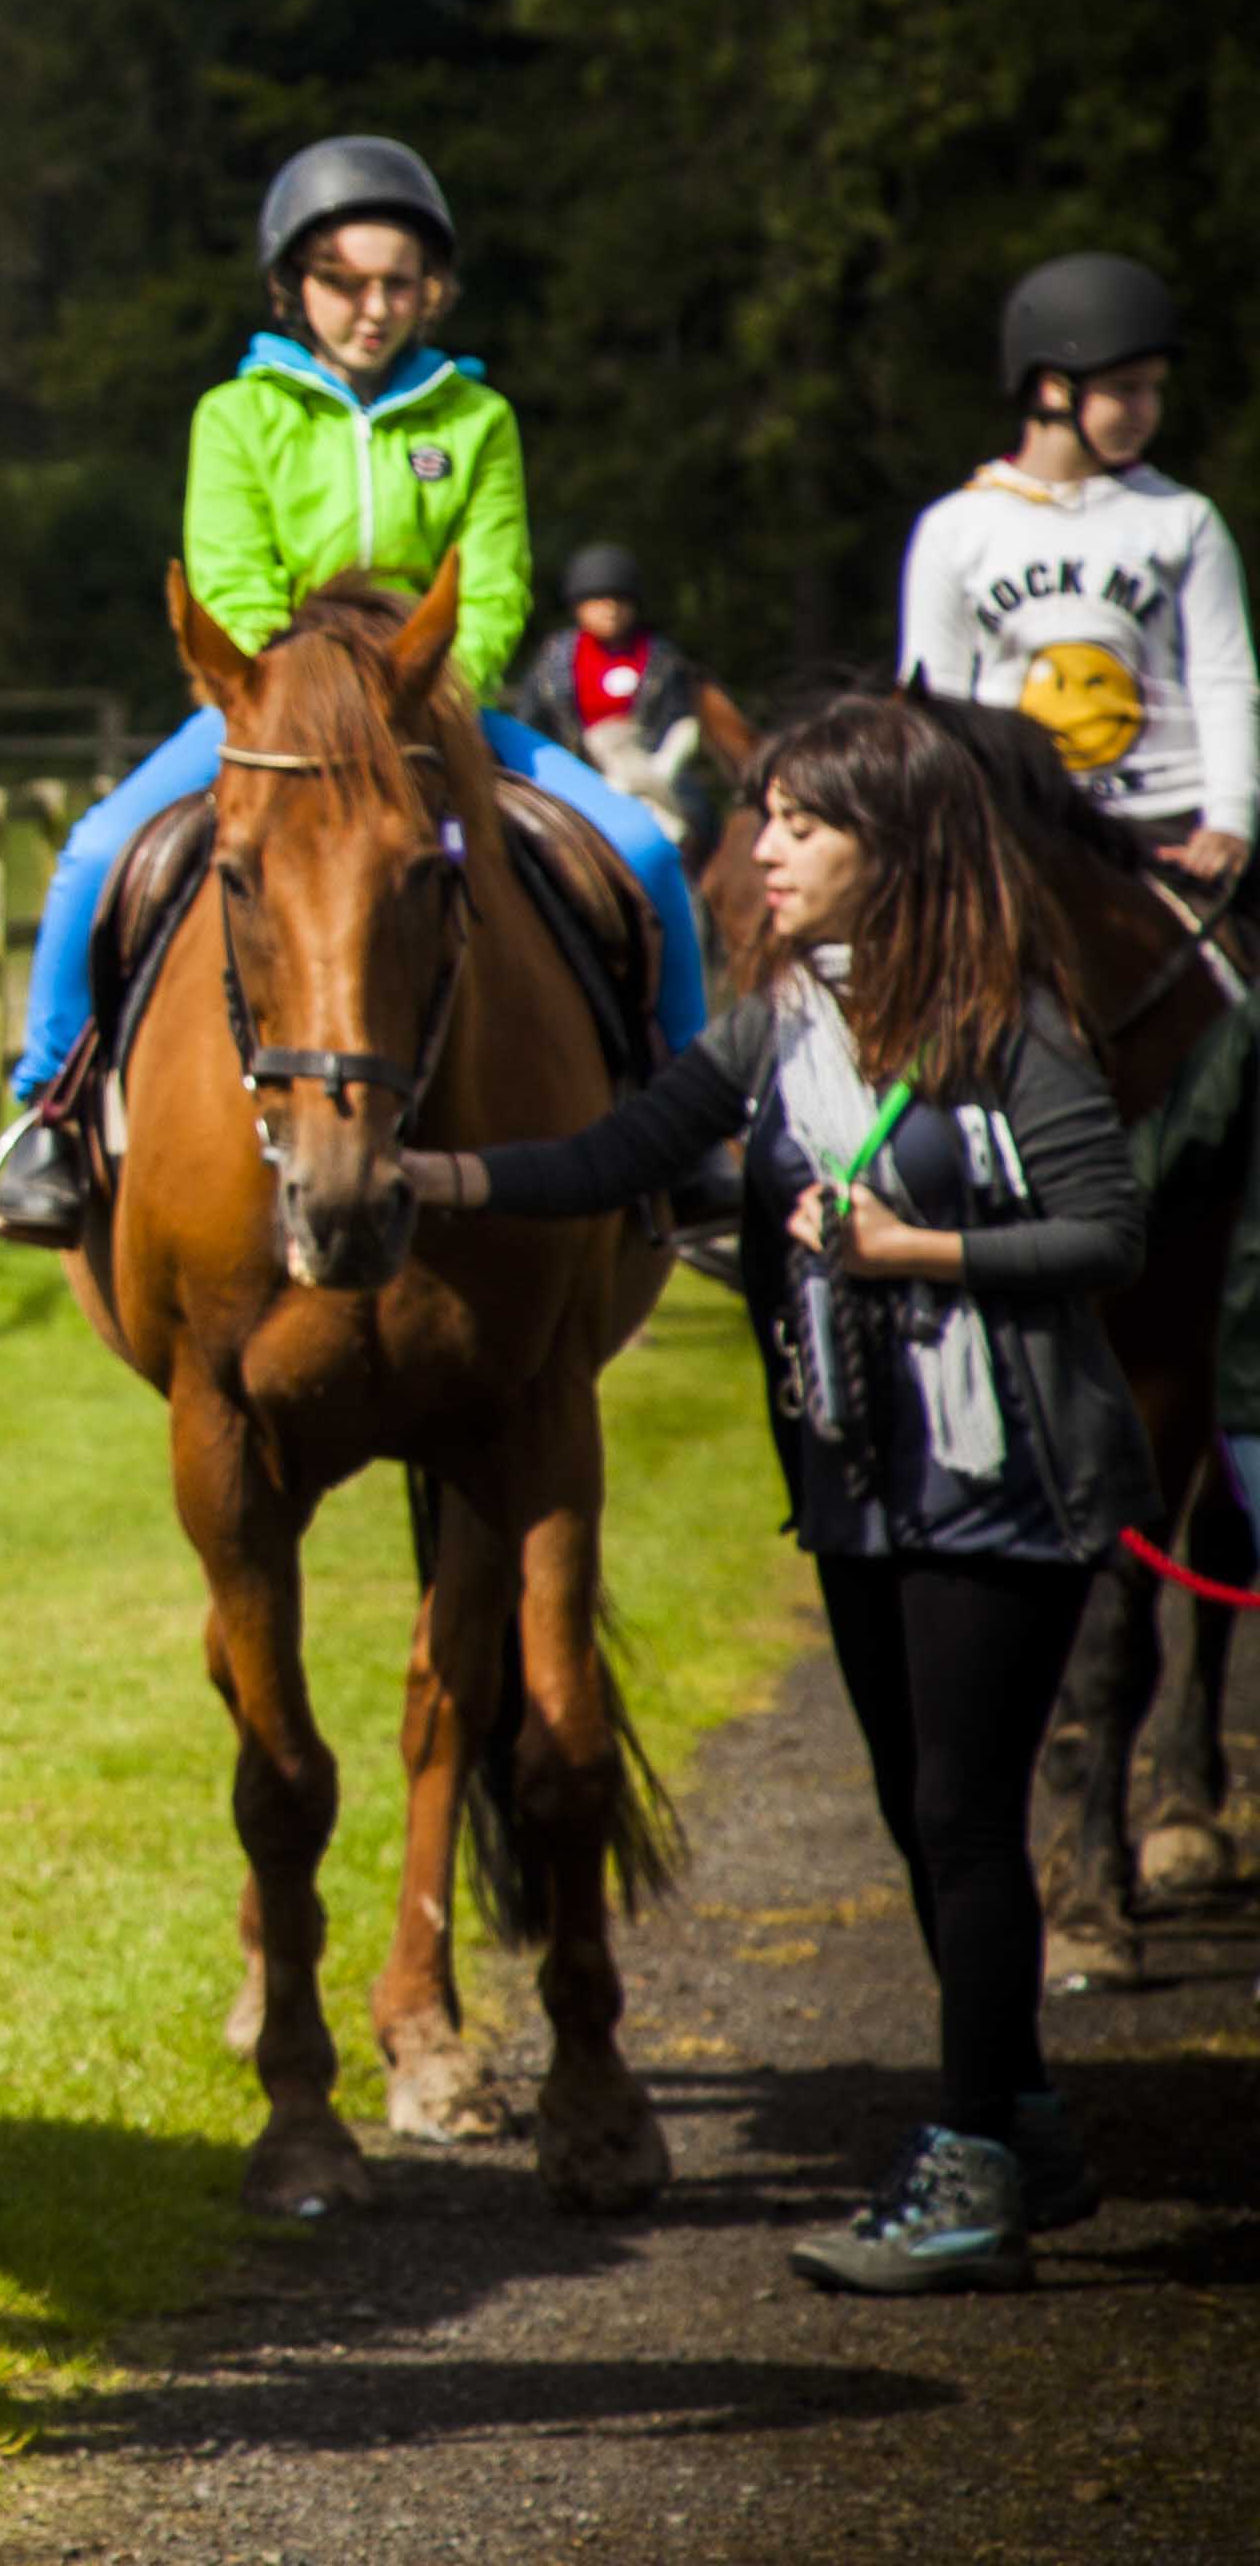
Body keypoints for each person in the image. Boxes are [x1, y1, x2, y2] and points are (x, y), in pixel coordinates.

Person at [394, 693, 1152, 2292]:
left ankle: (971, 2168)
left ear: (900, 845)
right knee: (915, 1809)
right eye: (767, 818)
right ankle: (1024, 2124)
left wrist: (911, 1249)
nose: (765, 853)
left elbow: (1108, 1233)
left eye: (805, 825)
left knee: (960, 1818)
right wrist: (436, 1177)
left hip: (1001, 1482)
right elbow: (618, 1155)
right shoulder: (783, 1021)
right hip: (862, 1482)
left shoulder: (1010, 1028)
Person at [0, 136, 710, 1246]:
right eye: (344, 283)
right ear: (293, 286)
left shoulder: (476, 421)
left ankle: (689, 1127)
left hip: (430, 708)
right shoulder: (235, 416)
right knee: (95, 853)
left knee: (645, 854)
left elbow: (494, 585)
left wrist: (428, 690)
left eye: (398, 285)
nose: (373, 309)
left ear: (433, 292)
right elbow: (229, 580)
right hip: (273, 716)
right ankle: (49, 1116)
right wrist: (302, 696)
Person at [898, 252, 1252, 888]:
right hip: (1023, 824)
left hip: (1168, 823)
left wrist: (1230, 820)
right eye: (1126, 389)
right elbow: (933, 700)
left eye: (1154, 389)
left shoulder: (1183, 519)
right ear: (1053, 389)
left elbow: (1223, 678)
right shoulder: (954, 528)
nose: (1147, 409)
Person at [503, 538, 728, 860]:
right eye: (598, 600)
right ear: (578, 606)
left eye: (620, 601)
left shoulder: (662, 660)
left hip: (651, 775)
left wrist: (653, 772)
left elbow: (677, 722)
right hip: (574, 773)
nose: (610, 610)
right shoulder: (553, 663)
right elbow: (531, 723)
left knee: (699, 826)